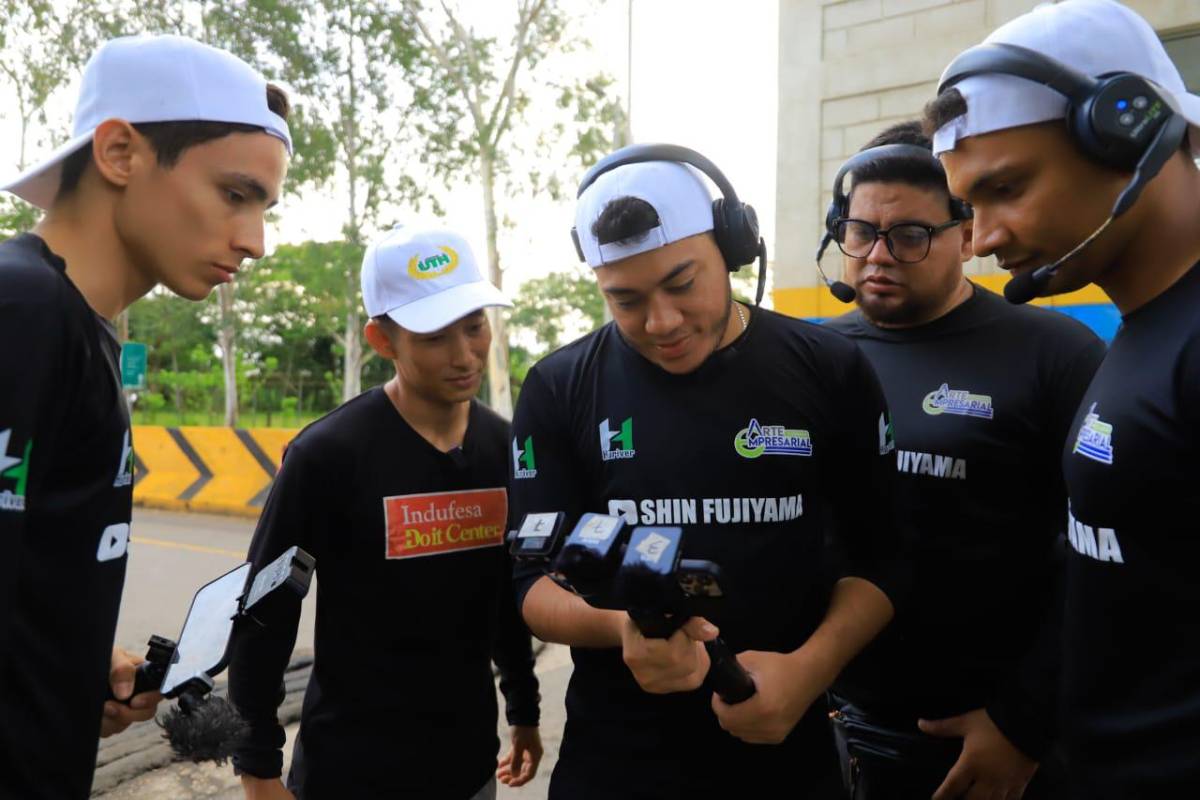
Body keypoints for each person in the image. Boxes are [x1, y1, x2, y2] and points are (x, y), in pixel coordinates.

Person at [508, 144, 905, 799]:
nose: (661, 322)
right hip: (615, 768)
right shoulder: (558, 386)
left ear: (733, 248)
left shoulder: (828, 367)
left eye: (681, 283)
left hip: (786, 762)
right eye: (625, 300)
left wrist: (810, 670)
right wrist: (621, 628)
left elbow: (883, 558)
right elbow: (531, 583)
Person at [0, 34, 291, 799]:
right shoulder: (23, 311)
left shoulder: (80, 331)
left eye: (264, 207)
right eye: (234, 194)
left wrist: (75, 663)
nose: (255, 242)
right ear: (120, 153)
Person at [925, 0, 1200, 795]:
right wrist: (1024, 719)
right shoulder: (1148, 326)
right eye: (968, 206)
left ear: (1128, 131)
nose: (982, 239)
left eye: (1006, 188)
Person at [822, 121, 1105, 800]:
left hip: (1001, 748)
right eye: (860, 232)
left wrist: (1025, 723)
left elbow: (1109, 558)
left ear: (969, 235)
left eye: (909, 235)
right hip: (834, 729)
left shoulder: (1057, 355)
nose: (878, 255)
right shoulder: (812, 358)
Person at [228, 225, 542, 800]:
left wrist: (523, 709)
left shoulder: (505, 449)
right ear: (382, 339)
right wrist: (257, 769)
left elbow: (506, 593)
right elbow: (266, 612)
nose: (464, 355)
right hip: (349, 773)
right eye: (435, 337)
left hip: (468, 769)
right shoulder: (327, 456)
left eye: (475, 327)